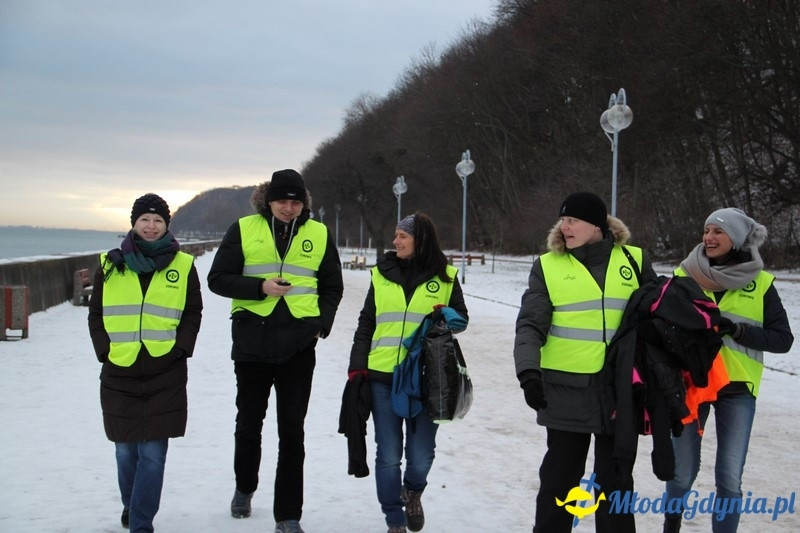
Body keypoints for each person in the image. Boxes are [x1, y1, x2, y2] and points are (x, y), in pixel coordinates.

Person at [207, 169, 343, 533]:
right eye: (282, 200)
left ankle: (288, 515)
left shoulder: (319, 233)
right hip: (252, 342)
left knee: (292, 433)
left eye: (295, 201)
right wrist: (259, 287)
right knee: (249, 425)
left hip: (299, 345)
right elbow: (218, 278)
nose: (288, 207)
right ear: (269, 200)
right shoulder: (244, 228)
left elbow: (332, 286)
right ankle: (244, 487)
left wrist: (320, 325)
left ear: (304, 203)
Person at [513, 192, 658, 533]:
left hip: (620, 392)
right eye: (562, 220)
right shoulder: (547, 265)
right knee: (559, 483)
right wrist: (528, 372)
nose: (564, 227)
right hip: (564, 391)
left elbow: (656, 316)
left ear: (597, 225)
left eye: (572, 220)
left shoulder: (635, 261)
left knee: (617, 484)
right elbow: (530, 324)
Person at [663, 207, 794, 533]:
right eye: (706, 231)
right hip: (690, 386)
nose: (708, 237)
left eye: (717, 232)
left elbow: (783, 340)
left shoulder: (761, 284)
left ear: (736, 239)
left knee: (729, 477)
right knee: (681, 473)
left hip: (737, 388)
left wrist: (738, 330)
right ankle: (671, 525)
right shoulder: (684, 277)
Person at [88, 193, 203, 533]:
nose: (151, 226)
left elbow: (193, 312)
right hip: (119, 369)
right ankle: (131, 504)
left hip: (164, 371)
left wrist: (181, 349)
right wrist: (104, 350)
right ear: (133, 224)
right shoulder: (110, 264)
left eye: (158, 221)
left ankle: (141, 522)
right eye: (145, 220)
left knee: (153, 455)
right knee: (125, 452)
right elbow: (96, 313)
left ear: (167, 225)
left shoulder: (183, 265)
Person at [348, 212, 469, 533]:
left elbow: (462, 321)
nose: (395, 241)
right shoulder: (381, 274)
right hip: (382, 377)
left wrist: (445, 313)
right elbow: (366, 323)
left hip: (428, 380)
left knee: (420, 456)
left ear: (421, 240)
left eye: (402, 235)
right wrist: (356, 367)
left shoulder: (445, 276)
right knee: (388, 454)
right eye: (396, 235)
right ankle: (394, 518)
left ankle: (412, 491)